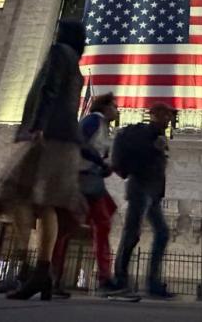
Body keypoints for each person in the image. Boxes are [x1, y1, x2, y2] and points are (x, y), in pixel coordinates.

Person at [0, 19, 88, 301]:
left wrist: (36, 126)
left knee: (12, 193)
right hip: (67, 139)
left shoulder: (58, 53)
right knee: (46, 204)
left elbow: (48, 89)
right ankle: (42, 272)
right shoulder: (78, 69)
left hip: (48, 135)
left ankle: (25, 265)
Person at [50, 93, 125, 299]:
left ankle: (54, 276)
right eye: (115, 107)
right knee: (94, 223)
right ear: (106, 107)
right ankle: (103, 279)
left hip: (90, 179)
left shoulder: (102, 127)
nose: (117, 111)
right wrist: (101, 164)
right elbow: (81, 144)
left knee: (92, 222)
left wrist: (103, 168)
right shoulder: (93, 120)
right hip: (82, 181)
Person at [108, 101, 176, 299]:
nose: (169, 118)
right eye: (164, 114)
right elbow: (139, 159)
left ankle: (152, 282)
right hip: (139, 188)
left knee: (162, 233)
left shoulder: (159, 136)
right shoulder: (143, 133)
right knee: (132, 233)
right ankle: (120, 279)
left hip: (153, 193)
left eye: (170, 115)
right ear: (153, 114)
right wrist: (153, 147)